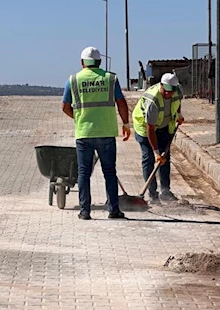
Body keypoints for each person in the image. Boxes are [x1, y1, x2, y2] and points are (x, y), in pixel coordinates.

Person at [62, 47, 131, 220]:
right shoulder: (110, 78)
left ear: (82, 62)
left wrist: (78, 118)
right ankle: (114, 209)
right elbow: (121, 102)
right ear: (100, 62)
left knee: (84, 173)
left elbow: (65, 107)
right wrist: (125, 123)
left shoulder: (73, 80)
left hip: (84, 133)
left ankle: (85, 211)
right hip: (106, 132)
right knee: (109, 172)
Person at [132, 72, 185, 203]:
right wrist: (156, 152)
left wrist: (178, 115)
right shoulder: (153, 100)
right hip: (145, 128)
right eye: (166, 91)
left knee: (165, 157)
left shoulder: (177, 91)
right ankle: (152, 194)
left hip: (164, 126)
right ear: (161, 85)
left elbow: (177, 102)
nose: (168, 94)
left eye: (171, 91)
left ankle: (165, 191)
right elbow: (150, 128)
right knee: (149, 158)